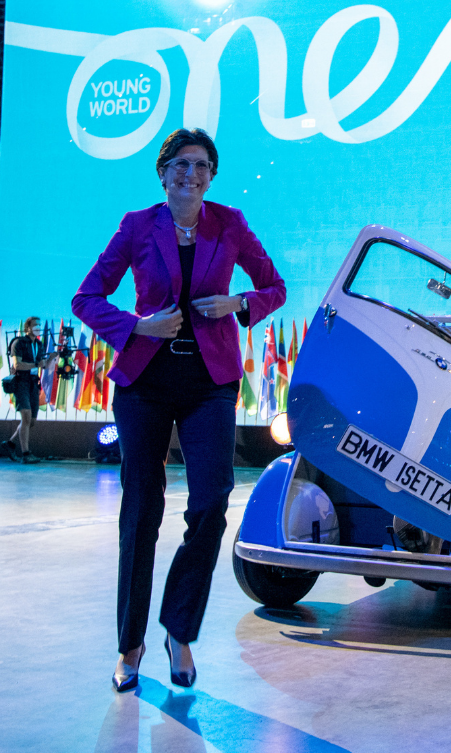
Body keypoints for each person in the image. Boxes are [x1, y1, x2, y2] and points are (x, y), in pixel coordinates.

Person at [72, 127, 285, 694]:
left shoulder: (230, 224)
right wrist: (136, 325)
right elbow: (87, 297)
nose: (193, 174)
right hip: (146, 381)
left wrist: (240, 302)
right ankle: (130, 644)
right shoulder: (138, 225)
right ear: (163, 171)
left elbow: (275, 287)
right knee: (140, 511)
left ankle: (178, 629)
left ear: (212, 176)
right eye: (183, 164)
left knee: (212, 501)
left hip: (210, 383)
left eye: (204, 165)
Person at [1, 316, 46, 464]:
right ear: (27, 328)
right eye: (35, 325)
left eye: (39, 325)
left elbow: (42, 365)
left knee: (31, 421)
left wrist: (50, 359)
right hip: (21, 382)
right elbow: (18, 365)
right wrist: (36, 364)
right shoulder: (19, 342)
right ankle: (26, 454)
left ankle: (10, 443)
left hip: (33, 383)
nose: (38, 327)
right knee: (26, 417)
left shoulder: (39, 344)